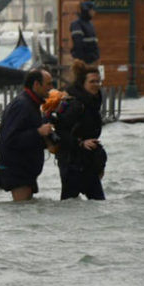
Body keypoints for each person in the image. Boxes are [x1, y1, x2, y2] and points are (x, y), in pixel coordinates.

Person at [0, 68, 55, 201]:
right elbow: (10, 139)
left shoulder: (32, 103)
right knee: (21, 210)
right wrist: (39, 132)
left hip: (26, 170)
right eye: (48, 84)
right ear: (36, 85)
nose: (51, 87)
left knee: (26, 212)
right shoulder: (22, 105)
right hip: (17, 171)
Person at [51, 59, 106, 200]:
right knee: (69, 204)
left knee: (98, 203)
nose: (96, 85)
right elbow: (59, 131)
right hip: (71, 163)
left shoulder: (94, 101)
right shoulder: (75, 104)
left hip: (88, 161)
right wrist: (80, 143)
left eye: (98, 81)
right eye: (92, 82)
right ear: (83, 84)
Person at [70, 0, 100, 65]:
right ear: (87, 10)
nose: (94, 12)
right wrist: (80, 61)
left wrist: (97, 56)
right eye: (92, 10)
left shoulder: (90, 24)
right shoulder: (77, 24)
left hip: (92, 60)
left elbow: (94, 43)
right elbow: (78, 44)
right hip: (83, 62)